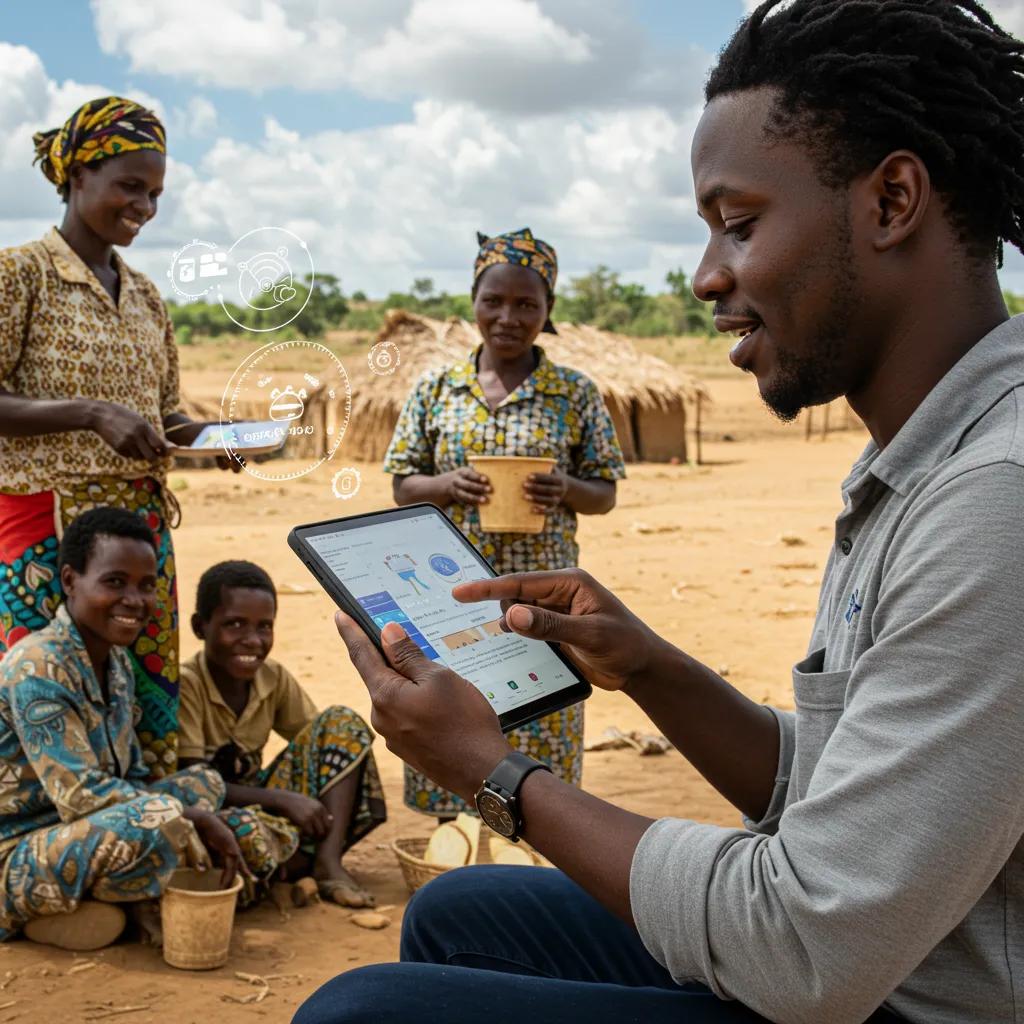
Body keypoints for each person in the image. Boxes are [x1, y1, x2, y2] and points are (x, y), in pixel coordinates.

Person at [296, 2, 1024, 1022]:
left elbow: (807, 946)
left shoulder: (993, 498)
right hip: (877, 953)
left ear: (891, 199)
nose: (703, 277)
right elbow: (847, 788)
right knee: (462, 908)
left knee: (356, 1014)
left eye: (737, 224)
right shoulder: (917, 463)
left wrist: (492, 772)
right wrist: (650, 666)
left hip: (899, 994)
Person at [0, 96, 237, 781]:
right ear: (77, 177)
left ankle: (146, 844)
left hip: (141, 538)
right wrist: (89, 413)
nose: (145, 207)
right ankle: (46, 854)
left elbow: (164, 419)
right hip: (47, 532)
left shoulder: (145, 296)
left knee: (143, 697)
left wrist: (216, 437)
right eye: (130, 186)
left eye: (156, 193)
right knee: (47, 698)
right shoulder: (23, 274)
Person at [383, 227, 626, 818]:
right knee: (453, 720)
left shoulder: (574, 393)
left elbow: (605, 493)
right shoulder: (437, 389)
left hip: (544, 600)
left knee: (541, 724)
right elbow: (401, 484)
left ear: (548, 310)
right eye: (494, 300)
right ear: (473, 300)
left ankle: (536, 861)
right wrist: (444, 486)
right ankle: (453, 867)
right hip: (451, 598)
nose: (508, 316)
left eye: (527, 303)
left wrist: (566, 488)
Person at [0, 508, 246, 952]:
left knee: (204, 783)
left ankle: (99, 905)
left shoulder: (115, 665)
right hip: (15, 851)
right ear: (71, 580)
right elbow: (79, 795)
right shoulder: (37, 667)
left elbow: (129, 778)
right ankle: (59, 907)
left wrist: (189, 810)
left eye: (146, 585)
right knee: (164, 820)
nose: (135, 600)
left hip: (80, 832)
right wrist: (187, 819)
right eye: (115, 582)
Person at [177, 561, 387, 908]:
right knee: (241, 835)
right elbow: (193, 785)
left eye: (264, 627)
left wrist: (298, 800)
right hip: (213, 812)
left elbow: (324, 739)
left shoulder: (272, 677)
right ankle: (283, 866)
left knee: (343, 723)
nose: (252, 640)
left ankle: (326, 863)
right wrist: (282, 800)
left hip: (258, 803)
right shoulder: (187, 685)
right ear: (201, 627)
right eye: (234, 625)